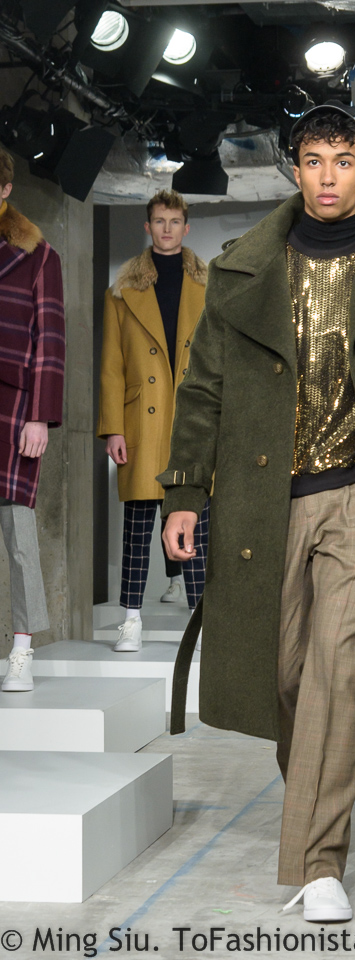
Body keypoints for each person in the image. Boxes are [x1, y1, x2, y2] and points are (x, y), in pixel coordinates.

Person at [160, 102, 355, 922]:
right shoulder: (242, 271)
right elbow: (202, 390)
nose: (328, 176)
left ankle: (319, 861)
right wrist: (186, 493)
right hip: (263, 503)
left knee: (340, 670)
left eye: (343, 161)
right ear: (294, 170)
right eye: (313, 160)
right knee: (285, 675)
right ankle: (316, 819)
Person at [97, 189, 209, 652]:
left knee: (198, 521)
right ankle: (131, 619)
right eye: (159, 221)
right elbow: (111, 365)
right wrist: (113, 427)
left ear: (186, 228)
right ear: (148, 227)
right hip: (142, 420)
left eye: (174, 221)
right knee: (138, 525)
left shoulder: (210, 288)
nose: (167, 229)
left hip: (192, 418)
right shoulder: (121, 291)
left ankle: (202, 624)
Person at [0, 146, 65, 692]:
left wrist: (40, 416)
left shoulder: (39, 256)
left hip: (14, 407)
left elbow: (51, 341)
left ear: (5, 190)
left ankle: (21, 648)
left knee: (19, 532)